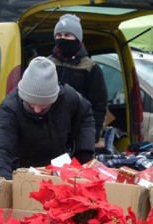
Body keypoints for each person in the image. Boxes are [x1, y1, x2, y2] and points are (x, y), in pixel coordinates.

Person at [0, 56, 95, 181]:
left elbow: (86, 117)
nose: (37, 110)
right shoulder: (10, 108)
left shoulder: (69, 98)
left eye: (43, 105)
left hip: (59, 171)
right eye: (31, 104)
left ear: (55, 98)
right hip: (23, 171)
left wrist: (83, 155)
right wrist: (2, 183)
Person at [48, 14, 108, 145]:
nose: (62, 38)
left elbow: (99, 105)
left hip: (79, 130)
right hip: (48, 130)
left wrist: (93, 134)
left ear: (78, 38)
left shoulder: (91, 68)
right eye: (59, 35)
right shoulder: (46, 64)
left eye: (67, 35)